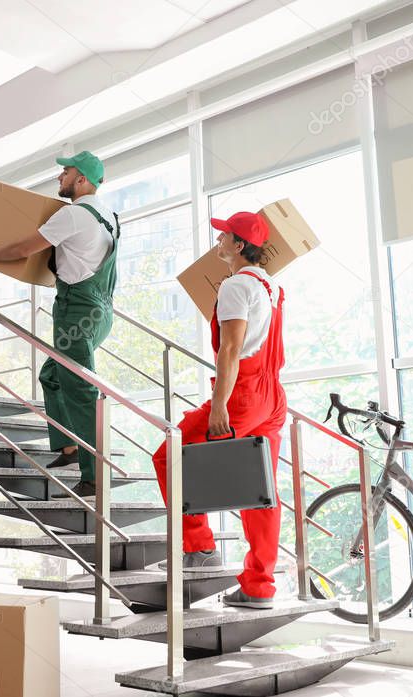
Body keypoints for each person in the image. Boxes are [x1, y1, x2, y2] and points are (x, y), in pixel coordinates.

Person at [151, 211, 286, 609]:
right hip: (273, 396)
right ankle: (259, 586)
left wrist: (220, 408)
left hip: (243, 392)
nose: (219, 241)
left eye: (224, 236)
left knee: (168, 455)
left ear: (239, 245)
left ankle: (199, 547)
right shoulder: (272, 287)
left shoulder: (234, 287)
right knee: (260, 491)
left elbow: (230, 350)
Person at [0, 151, 119, 499]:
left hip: (77, 312)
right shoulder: (109, 216)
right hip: (99, 311)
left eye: (65, 172)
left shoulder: (74, 215)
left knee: (81, 392)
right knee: (52, 375)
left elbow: (25, 247)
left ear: (81, 179)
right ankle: (67, 448)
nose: (59, 178)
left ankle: (94, 477)